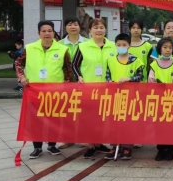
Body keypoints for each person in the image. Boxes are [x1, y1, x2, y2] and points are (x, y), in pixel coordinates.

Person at [15, 21, 71, 159]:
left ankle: (52, 145)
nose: (47, 33)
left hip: (55, 92)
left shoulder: (62, 49)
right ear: (38, 33)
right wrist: (21, 76)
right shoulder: (29, 48)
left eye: (50, 31)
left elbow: (67, 70)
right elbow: (18, 63)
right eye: (44, 31)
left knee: (54, 119)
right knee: (36, 120)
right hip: (34, 91)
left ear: (54, 33)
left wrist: (67, 86)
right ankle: (37, 147)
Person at [72, 18, 116, 159]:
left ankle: (100, 143)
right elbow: (74, 65)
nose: (99, 30)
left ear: (105, 30)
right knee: (90, 118)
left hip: (108, 89)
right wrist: (79, 76)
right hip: (89, 89)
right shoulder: (83, 46)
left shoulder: (113, 46)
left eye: (102, 27)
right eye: (95, 28)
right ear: (90, 30)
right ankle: (91, 145)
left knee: (103, 118)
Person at [104, 33, 144, 161]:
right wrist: (110, 82)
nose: (121, 47)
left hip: (130, 97)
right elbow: (107, 76)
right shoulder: (110, 60)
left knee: (128, 122)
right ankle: (114, 146)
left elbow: (140, 76)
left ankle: (127, 147)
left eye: (124, 45)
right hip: (115, 96)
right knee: (114, 122)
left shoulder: (136, 61)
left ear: (129, 46)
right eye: (119, 45)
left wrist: (129, 79)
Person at [149, 38, 173, 162]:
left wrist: (167, 88)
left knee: (171, 125)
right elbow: (151, 81)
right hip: (158, 100)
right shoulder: (154, 65)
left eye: (170, 48)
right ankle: (160, 149)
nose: (168, 50)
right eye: (165, 47)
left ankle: (169, 149)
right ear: (159, 49)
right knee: (158, 125)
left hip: (172, 99)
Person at [57, 18, 87, 149]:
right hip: (65, 83)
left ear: (80, 27)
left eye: (75, 24)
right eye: (70, 24)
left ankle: (82, 137)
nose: (73, 27)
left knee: (83, 111)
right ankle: (67, 138)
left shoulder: (87, 43)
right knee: (66, 112)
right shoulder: (58, 44)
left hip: (84, 82)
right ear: (65, 27)